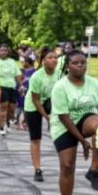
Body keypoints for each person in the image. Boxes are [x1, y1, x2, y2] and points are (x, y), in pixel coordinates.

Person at [49, 50, 98, 195]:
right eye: (75, 63)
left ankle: (93, 171)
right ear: (67, 66)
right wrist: (82, 142)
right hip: (64, 125)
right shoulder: (60, 87)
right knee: (67, 166)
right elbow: (64, 117)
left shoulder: (95, 84)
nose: (80, 65)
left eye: (83, 62)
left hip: (86, 119)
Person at [22, 47, 58, 182]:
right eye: (50, 57)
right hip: (33, 106)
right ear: (43, 61)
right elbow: (36, 100)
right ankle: (37, 169)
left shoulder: (59, 74)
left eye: (55, 57)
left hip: (49, 103)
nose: (54, 60)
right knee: (36, 139)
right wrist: (47, 118)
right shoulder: (37, 76)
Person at [0, 44, 21, 136]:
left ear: (8, 52)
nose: (3, 52)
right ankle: (1, 127)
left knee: (11, 109)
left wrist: (21, 86)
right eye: (1, 50)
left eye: (5, 50)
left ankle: (7, 122)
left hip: (12, 87)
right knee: (3, 108)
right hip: (1, 87)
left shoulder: (12, 62)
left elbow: (17, 74)